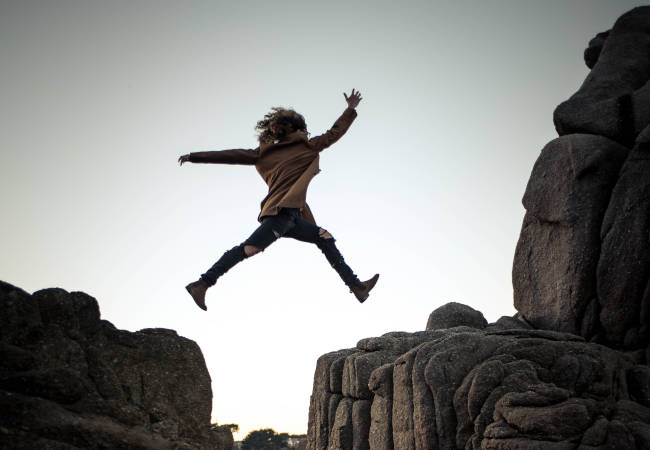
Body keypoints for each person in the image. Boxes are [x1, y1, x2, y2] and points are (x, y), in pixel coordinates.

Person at [178, 89, 379, 311]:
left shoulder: (263, 153)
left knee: (325, 238)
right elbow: (334, 133)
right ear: (298, 128)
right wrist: (350, 109)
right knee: (249, 248)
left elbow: (230, 154)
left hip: (292, 216)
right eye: (303, 127)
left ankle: (357, 287)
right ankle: (203, 283)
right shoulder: (307, 146)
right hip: (280, 214)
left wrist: (195, 157)